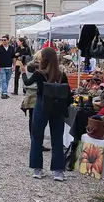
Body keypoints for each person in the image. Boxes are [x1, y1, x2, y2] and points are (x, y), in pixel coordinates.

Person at [23, 47, 70, 181]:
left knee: (37, 136)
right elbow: (68, 92)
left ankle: (37, 169)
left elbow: (27, 83)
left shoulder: (39, 74)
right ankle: (58, 171)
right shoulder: (61, 74)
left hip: (42, 105)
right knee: (57, 138)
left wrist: (22, 72)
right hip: (57, 107)